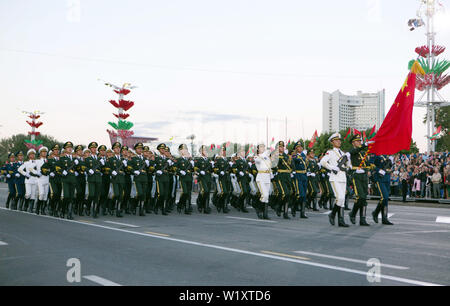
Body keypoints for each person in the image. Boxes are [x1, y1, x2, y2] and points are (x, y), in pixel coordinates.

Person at [320, 133, 351, 227]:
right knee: (340, 198)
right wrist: (332, 168)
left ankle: (341, 221)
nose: (339, 142)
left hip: (343, 177)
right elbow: (322, 162)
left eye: (339, 140)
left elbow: (348, 164)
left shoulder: (344, 153)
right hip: (335, 178)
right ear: (332, 142)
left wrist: (349, 166)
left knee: (342, 200)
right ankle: (332, 214)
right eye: (336, 140)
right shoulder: (330, 152)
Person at [347, 135, 371, 226]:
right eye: (357, 141)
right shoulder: (352, 151)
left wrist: (367, 170)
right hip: (356, 176)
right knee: (359, 197)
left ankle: (362, 219)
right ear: (353, 143)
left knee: (364, 198)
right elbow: (355, 151)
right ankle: (353, 213)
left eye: (360, 141)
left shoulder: (362, 153)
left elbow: (367, 164)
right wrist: (364, 145)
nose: (359, 142)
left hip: (363, 176)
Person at [254, 144, 277, 220]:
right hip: (261, 177)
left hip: (267, 177)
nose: (263, 148)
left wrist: (271, 175)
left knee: (267, 197)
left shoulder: (266, 157)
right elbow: (258, 161)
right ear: (258, 149)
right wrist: (265, 154)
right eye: (261, 147)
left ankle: (265, 214)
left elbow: (269, 167)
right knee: (265, 195)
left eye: (263, 147)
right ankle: (258, 208)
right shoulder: (256, 157)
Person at [371, 155, 394, 225]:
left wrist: (391, 161)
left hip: (387, 178)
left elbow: (389, 168)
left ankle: (384, 218)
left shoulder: (388, 156)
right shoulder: (376, 154)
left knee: (385, 199)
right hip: (380, 178)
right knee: (385, 197)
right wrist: (379, 170)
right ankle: (375, 213)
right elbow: (371, 164)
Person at [274, 141, 294, 219]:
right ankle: (278, 206)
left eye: (282, 147)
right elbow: (272, 165)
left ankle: (285, 213)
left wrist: (292, 171)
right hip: (280, 176)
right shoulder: (275, 156)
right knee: (284, 193)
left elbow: (291, 165)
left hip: (287, 176)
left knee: (288, 194)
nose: (281, 148)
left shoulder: (287, 156)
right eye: (279, 147)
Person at [58, 142, 77, 220]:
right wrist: (62, 171)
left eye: (71, 147)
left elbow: (79, 168)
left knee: (71, 197)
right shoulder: (62, 158)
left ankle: (69, 213)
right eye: (68, 147)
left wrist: (78, 165)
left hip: (72, 179)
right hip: (65, 179)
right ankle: (63, 211)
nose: (70, 149)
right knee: (66, 196)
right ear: (65, 149)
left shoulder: (75, 159)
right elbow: (57, 167)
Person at [129, 142, 148, 216]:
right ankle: (133, 205)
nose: (140, 150)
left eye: (141, 149)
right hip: (137, 178)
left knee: (143, 194)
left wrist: (149, 163)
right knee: (139, 193)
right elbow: (129, 167)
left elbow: (150, 168)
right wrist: (134, 171)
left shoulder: (145, 159)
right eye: (138, 148)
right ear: (135, 150)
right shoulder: (133, 158)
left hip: (144, 178)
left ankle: (141, 209)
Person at [108, 142, 126, 217]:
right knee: (116, 194)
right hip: (115, 179)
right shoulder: (111, 159)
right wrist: (112, 171)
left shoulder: (123, 159)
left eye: (119, 148)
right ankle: (111, 206)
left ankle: (118, 210)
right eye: (116, 148)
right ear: (113, 150)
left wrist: (126, 165)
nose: (118, 149)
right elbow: (108, 168)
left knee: (121, 196)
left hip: (121, 179)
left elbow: (126, 169)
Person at [85, 142, 102, 218]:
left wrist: (103, 163)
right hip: (91, 179)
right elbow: (84, 167)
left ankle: (94, 211)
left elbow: (102, 169)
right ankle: (88, 207)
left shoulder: (100, 159)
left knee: (97, 195)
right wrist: (88, 170)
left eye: (95, 148)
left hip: (98, 179)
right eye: (92, 148)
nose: (94, 149)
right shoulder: (88, 158)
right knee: (91, 194)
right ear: (90, 149)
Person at [175, 144, 194, 215]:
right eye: (183, 149)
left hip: (189, 178)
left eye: (186, 149)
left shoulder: (190, 160)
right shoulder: (179, 160)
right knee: (185, 192)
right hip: (183, 178)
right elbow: (175, 168)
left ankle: (187, 208)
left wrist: (193, 165)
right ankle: (180, 204)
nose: (185, 150)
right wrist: (180, 171)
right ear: (180, 151)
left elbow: (193, 170)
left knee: (188, 193)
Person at [194, 145, 213, 214]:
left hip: (208, 177)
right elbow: (195, 168)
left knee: (207, 193)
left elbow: (212, 170)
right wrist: (199, 171)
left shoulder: (209, 160)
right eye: (204, 150)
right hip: (202, 178)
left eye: (206, 150)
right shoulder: (198, 159)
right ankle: (200, 202)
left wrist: (213, 166)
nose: (205, 151)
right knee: (205, 191)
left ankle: (206, 207)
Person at [292, 141, 308, 219]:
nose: (300, 148)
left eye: (301, 147)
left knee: (304, 195)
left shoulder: (303, 155)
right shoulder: (295, 156)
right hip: (298, 175)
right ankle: (294, 207)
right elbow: (295, 160)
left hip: (304, 175)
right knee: (300, 194)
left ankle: (302, 213)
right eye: (298, 147)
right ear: (296, 148)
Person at [231, 147, 250, 213]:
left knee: (246, 192)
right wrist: (239, 172)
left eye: (244, 152)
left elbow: (247, 169)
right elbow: (233, 168)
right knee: (243, 192)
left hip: (246, 178)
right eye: (242, 152)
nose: (244, 153)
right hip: (241, 178)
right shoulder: (238, 161)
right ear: (239, 153)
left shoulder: (245, 161)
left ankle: (240, 205)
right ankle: (238, 203)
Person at [154, 143, 171, 215]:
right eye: (161, 149)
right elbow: (153, 167)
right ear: (159, 150)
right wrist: (156, 170)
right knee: (160, 193)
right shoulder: (157, 158)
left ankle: (163, 208)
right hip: (159, 178)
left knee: (166, 194)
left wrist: (171, 164)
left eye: (164, 149)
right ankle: (157, 206)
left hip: (166, 177)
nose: (163, 150)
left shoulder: (168, 159)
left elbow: (171, 169)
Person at [34, 146, 50, 215]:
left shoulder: (48, 161)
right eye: (43, 152)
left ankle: (43, 210)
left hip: (47, 179)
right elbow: (31, 169)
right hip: (40, 179)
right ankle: (37, 208)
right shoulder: (36, 161)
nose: (44, 153)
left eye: (45, 152)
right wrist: (37, 173)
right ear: (40, 153)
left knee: (45, 195)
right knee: (41, 194)